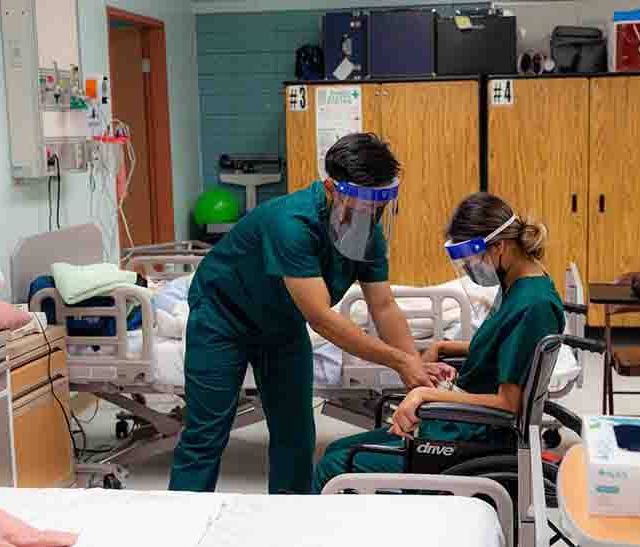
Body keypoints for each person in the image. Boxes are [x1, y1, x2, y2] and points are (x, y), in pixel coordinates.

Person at [169, 133, 452, 495]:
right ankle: (181, 524)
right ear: (331, 187)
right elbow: (321, 317)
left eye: (379, 203)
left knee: (296, 435)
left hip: (282, 325)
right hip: (223, 318)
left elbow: (383, 305)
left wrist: (415, 366)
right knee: (205, 435)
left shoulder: (367, 233)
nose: (370, 213)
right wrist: (398, 360)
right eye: (363, 202)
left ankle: (294, 524)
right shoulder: (292, 223)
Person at [312, 192, 565, 493]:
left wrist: (425, 396)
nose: (470, 269)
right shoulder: (522, 284)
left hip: (471, 437)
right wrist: (444, 348)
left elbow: (509, 404)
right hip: (460, 425)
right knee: (336, 450)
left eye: (472, 259)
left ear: (499, 246)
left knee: (334, 465)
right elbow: (505, 345)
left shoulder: (532, 305)